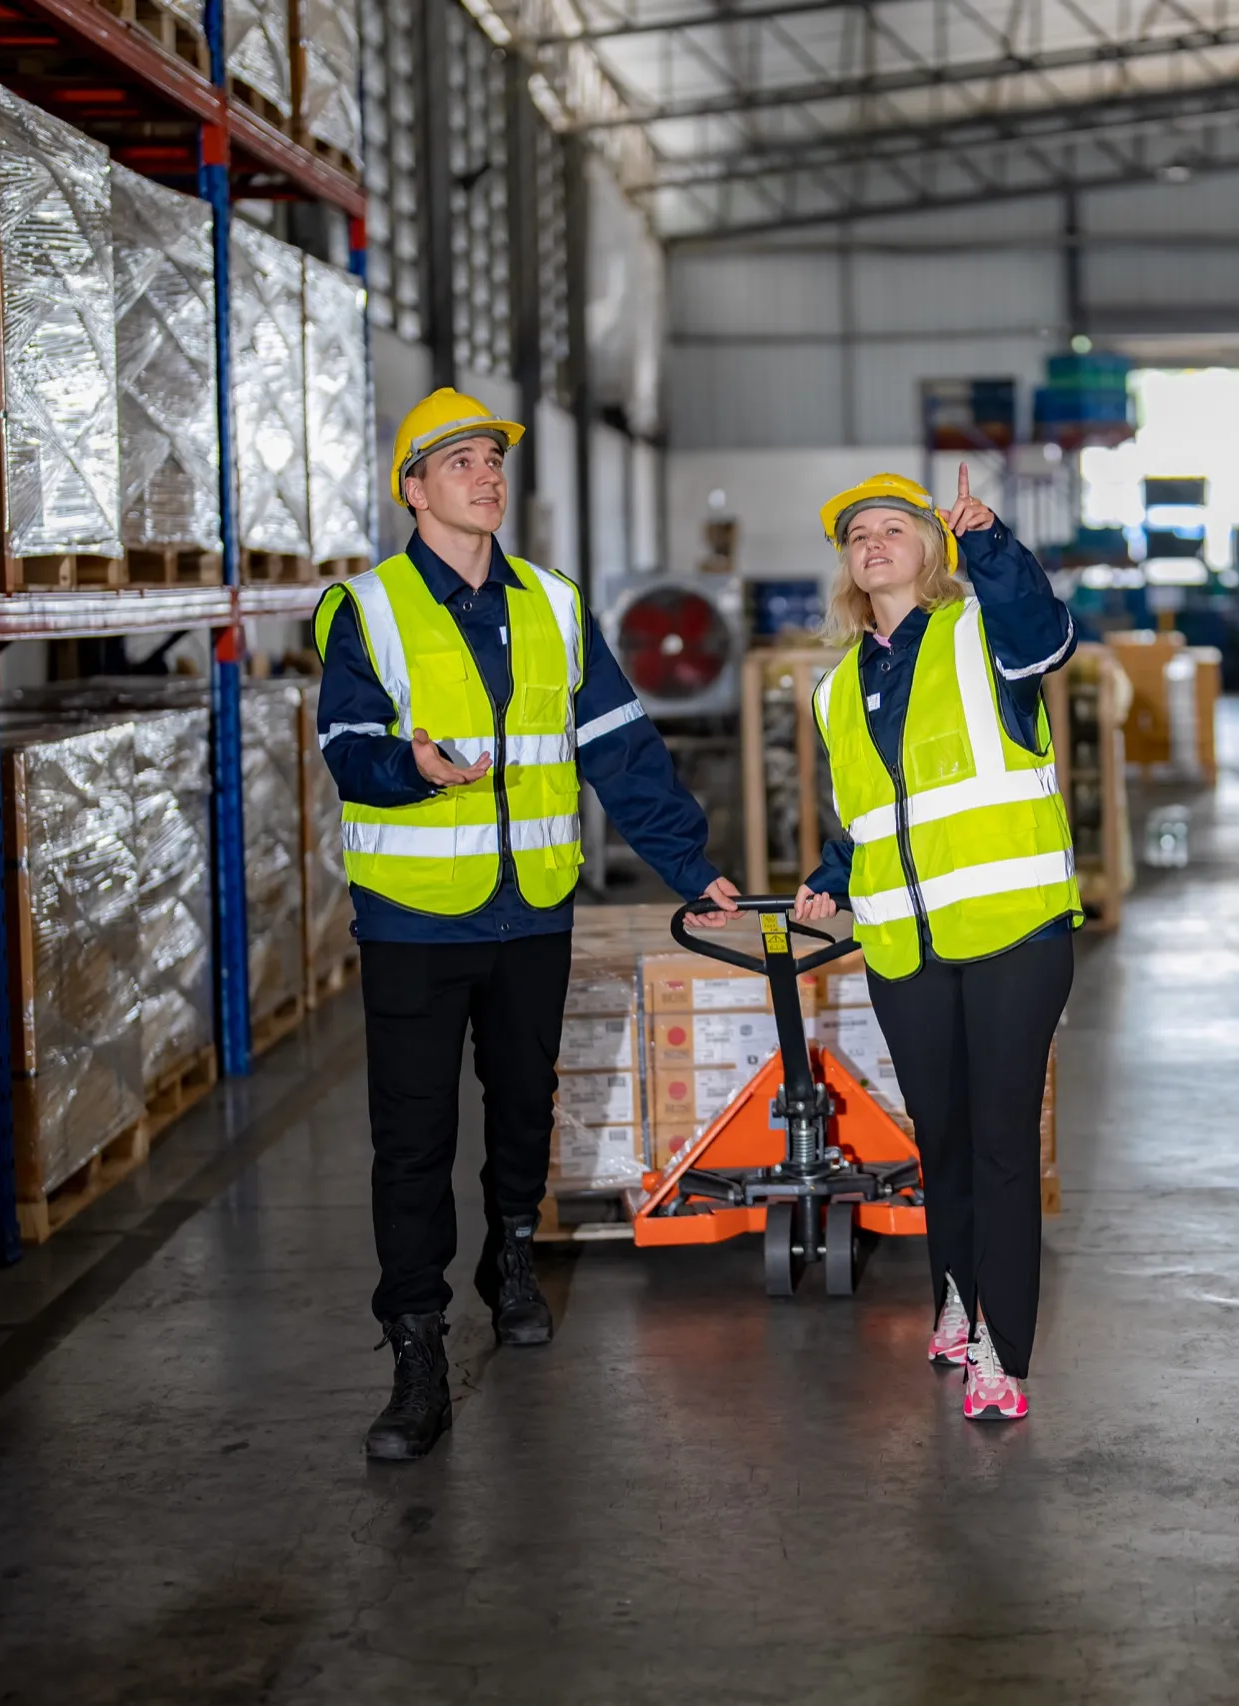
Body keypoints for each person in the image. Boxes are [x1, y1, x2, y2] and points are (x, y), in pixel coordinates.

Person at [315, 387, 741, 1463]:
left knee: (522, 1105)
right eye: (459, 461)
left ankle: (509, 1253)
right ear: (413, 488)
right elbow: (348, 748)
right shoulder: (364, 610)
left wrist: (693, 869)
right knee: (411, 1140)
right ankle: (414, 1345)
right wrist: (406, 768)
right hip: (414, 918)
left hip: (530, 911)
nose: (485, 475)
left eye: (493, 459)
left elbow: (621, 752)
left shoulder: (553, 604)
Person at [789, 467, 1077, 1423]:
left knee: (999, 1143)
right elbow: (873, 819)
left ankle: (1001, 1347)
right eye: (858, 533)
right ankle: (956, 1292)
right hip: (903, 945)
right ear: (848, 567)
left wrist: (990, 541)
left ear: (932, 547)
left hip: (1011, 932)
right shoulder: (836, 690)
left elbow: (1047, 627)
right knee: (942, 1138)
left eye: (894, 528)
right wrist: (828, 882)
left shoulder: (984, 634)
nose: (874, 542)